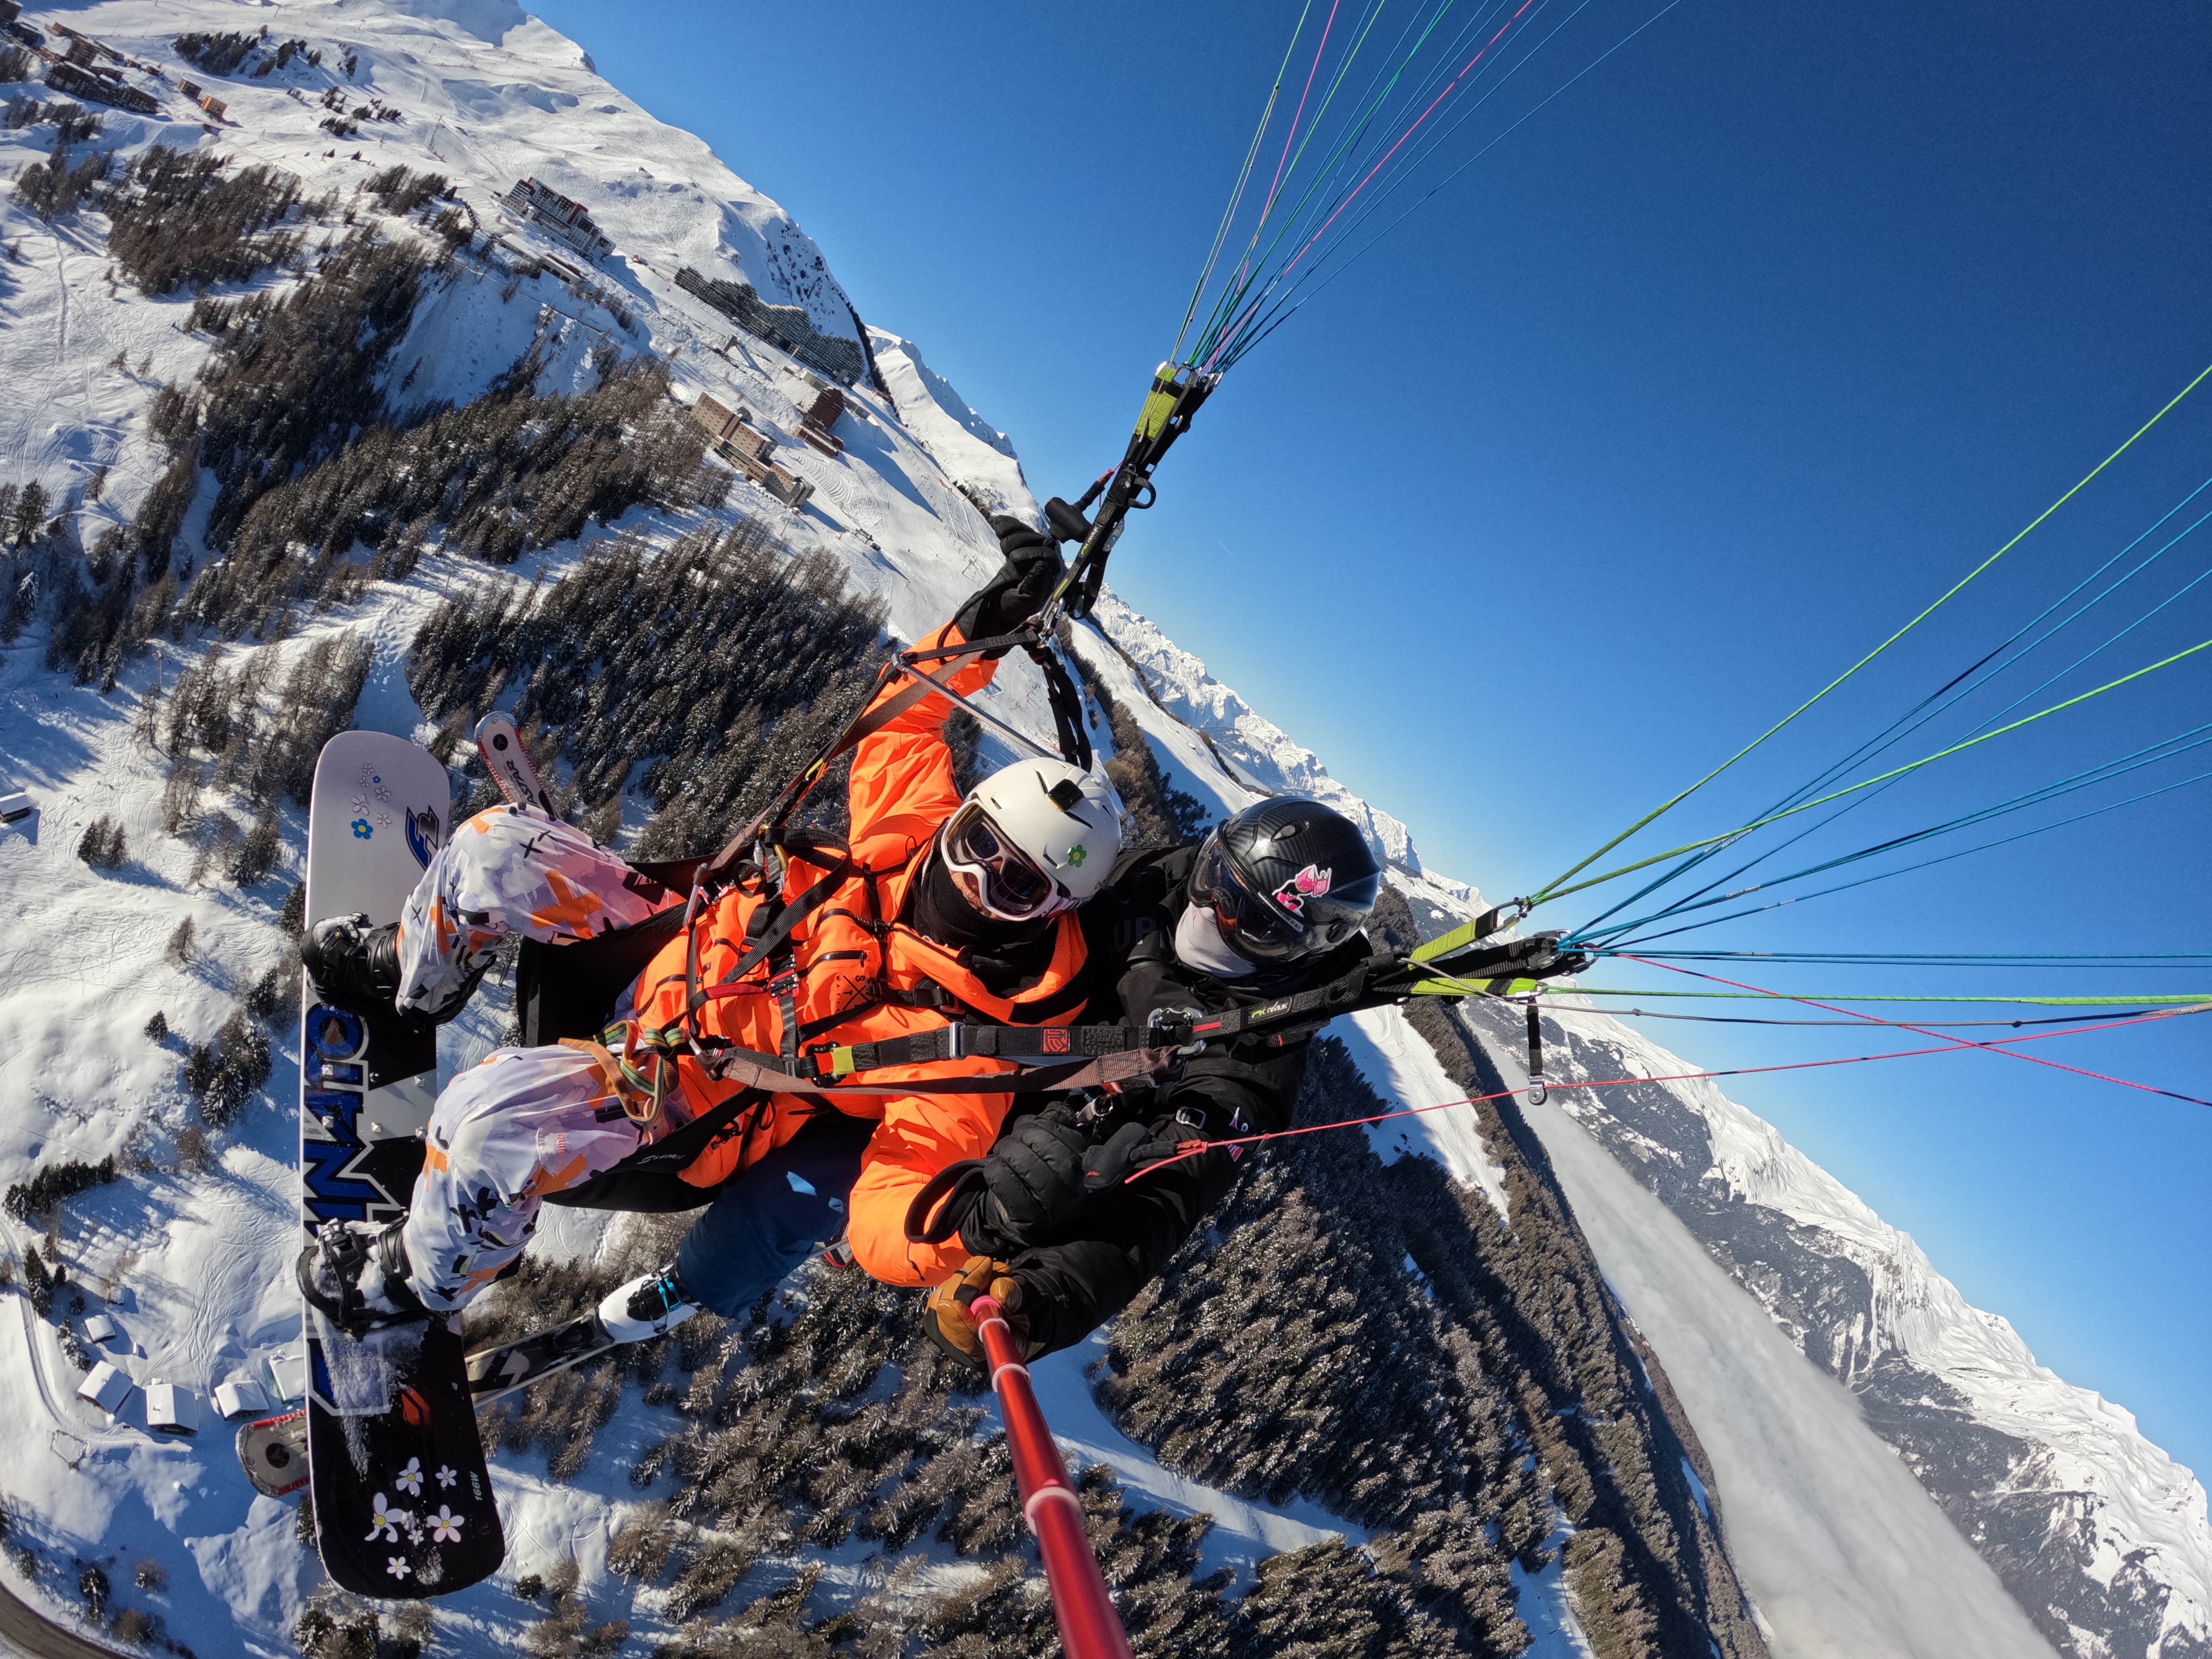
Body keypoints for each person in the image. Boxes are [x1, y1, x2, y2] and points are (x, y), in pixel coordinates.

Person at [296, 519, 1123, 1344]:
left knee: (484, 1119)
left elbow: (890, 1210)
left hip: (677, 1094)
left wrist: (969, 1225)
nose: (976, 879)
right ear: (963, 816)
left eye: (1017, 884)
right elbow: (902, 719)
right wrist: (983, 628)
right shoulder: (909, 830)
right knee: (493, 849)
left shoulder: (971, 1045)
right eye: (978, 844)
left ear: (1051, 910)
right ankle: (416, 971)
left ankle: (422, 1278)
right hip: (668, 948)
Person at [901, 795, 1382, 1365]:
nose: (1209, 910)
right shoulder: (1150, 881)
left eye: (1249, 920)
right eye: (1216, 878)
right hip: (932, 1031)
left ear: (1296, 952)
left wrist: (1040, 1303)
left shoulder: (1251, 1066)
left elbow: (1164, 1203)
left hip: (999, 1154)